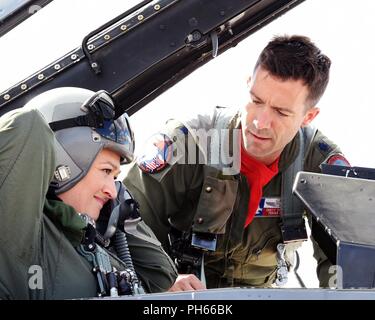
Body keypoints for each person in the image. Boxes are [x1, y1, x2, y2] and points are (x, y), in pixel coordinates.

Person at [122, 35, 351, 291]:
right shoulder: (189, 143)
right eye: (256, 101)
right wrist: (163, 281)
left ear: (308, 116)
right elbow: (128, 220)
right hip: (183, 294)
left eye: (281, 112)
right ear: (248, 84)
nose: (260, 122)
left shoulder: (319, 163)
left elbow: (343, 256)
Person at [0, 87, 177, 299]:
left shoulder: (85, 241)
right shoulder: (21, 236)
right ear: (61, 161)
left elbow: (160, 277)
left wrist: (124, 213)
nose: (112, 191)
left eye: (115, 177)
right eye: (106, 171)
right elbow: (27, 126)